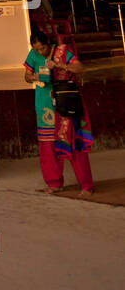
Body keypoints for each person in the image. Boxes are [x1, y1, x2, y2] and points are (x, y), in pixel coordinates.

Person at [23, 27, 94, 196]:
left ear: (49, 44)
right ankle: (54, 183)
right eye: (36, 49)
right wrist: (33, 77)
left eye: (42, 48)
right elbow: (26, 76)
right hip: (44, 105)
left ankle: (86, 186)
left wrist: (59, 65)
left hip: (65, 103)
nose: (40, 52)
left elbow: (79, 67)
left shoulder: (62, 51)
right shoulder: (33, 56)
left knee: (73, 141)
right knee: (47, 145)